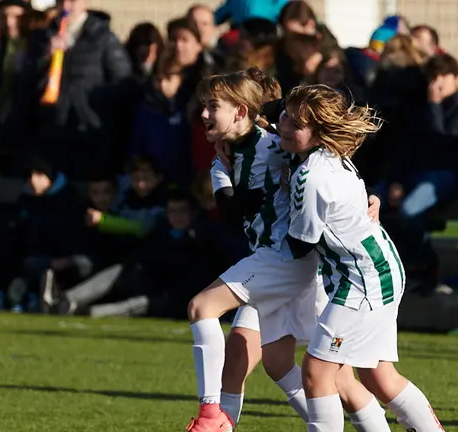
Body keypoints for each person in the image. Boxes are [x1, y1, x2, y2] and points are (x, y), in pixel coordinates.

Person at [185, 69, 387, 432]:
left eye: (212, 105)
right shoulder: (223, 161)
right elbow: (230, 211)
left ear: (242, 111)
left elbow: (327, 159)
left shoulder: (275, 143)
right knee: (281, 364)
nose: (203, 114)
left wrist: (365, 199)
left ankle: (212, 416)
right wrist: (249, 180)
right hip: (275, 260)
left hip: (291, 260)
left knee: (203, 308)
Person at [281, 84, 444, 432]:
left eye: (295, 123)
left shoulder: (311, 175)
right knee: (378, 375)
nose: (283, 125)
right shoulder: (332, 158)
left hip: (362, 281)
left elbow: (299, 244)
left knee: (316, 372)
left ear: (320, 133)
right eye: (285, 116)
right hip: (381, 269)